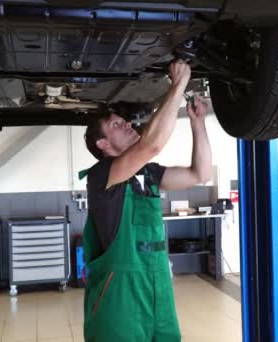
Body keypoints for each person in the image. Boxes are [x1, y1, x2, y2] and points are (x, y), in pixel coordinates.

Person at [79, 60, 212, 342]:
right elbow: (152, 145)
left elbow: (200, 173)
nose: (126, 123)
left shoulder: (148, 174)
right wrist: (177, 87)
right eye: (116, 124)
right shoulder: (101, 175)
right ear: (102, 144)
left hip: (158, 287)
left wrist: (198, 123)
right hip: (120, 298)